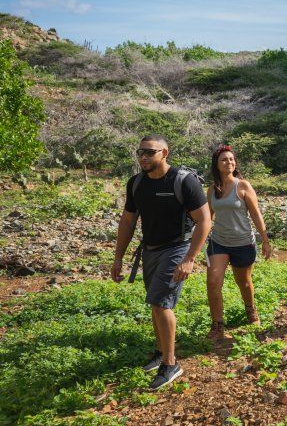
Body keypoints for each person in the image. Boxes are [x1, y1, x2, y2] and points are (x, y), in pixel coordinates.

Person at [111, 135, 211, 391]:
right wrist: (118, 258)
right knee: (154, 302)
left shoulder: (184, 181)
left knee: (160, 303)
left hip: (177, 248)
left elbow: (204, 221)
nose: (143, 156)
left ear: (164, 153)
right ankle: (160, 351)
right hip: (150, 250)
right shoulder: (136, 183)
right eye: (140, 152)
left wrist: (190, 259)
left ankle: (171, 363)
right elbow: (128, 222)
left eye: (149, 152)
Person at [205, 143, 272, 340]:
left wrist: (265, 240)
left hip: (243, 242)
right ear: (216, 164)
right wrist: (193, 242)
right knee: (213, 281)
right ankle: (217, 325)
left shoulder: (243, 185)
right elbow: (207, 220)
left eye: (232, 159)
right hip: (219, 242)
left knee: (243, 282)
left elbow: (256, 213)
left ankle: (250, 310)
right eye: (224, 159)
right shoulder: (211, 190)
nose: (229, 162)